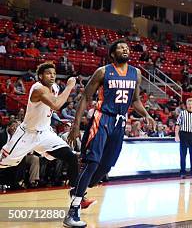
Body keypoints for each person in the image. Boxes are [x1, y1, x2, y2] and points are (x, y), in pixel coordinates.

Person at [63, 40, 155, 227]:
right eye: (120, 48)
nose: (125, 49)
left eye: (127, 47)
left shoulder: (135, 73)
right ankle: (72, 212)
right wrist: (75, 125)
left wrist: (146, 115)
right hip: (102, 118)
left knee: (106, 167)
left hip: (120, 122)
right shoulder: (103, 71)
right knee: (92, 162)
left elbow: (135, 100)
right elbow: (86, 97)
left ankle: (77, 191)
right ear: (112, 54)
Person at [0, 63, 80, 196]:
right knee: (4, 163)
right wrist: (70, 86)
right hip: (27, 134)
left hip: (45, 134)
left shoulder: (54, 87)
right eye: (49, 73)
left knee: (71, 157)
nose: (52, 76)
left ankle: (77, 196)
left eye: (54, 73)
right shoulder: (38, 88)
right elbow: (56, 104)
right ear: (40, 76)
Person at [175, 98, 192, 178]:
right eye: (189, 104)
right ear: (186, 105)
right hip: (184, 134)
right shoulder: (182, 113)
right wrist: (176, 135)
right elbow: (177, 125)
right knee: (183, 154)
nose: (190, 106)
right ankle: (182, 172)